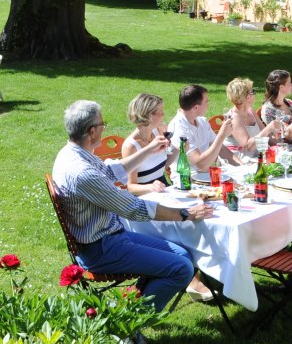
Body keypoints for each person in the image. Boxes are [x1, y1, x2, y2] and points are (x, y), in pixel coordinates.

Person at [51, 100, 217, 320]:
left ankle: (130, 306)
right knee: (181, 269)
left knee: (183, 254)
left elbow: (110, 171)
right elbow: (132, 208)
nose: (103, 128)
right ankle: (128, 326)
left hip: (110, 236)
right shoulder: (82, 172)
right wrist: (185, 214)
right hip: (100, 249)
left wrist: (148, 150)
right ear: (92, 131)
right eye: (102, 124)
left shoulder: (72, 153)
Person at [167, 84, 238, 184]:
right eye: (206, 101)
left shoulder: (202, 121)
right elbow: (201, 164)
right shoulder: (179, 128)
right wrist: (221, 135)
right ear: (196, 107)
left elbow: (221, 149)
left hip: (207, 175)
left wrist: (243, 167)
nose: (208, 104)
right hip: (188, 181)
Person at [120, 93, 177, 193]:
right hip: (145, 197)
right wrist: (150, 187)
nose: (164, 115)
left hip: (164, 189)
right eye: (159, 112)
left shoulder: (157, 133)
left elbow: (162, 166)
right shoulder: (131, 146)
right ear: (147, 115)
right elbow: (131, 187)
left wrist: (179, 149)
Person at [222, 77, 284, 156]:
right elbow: (248, 146)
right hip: (239, 161)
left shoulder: (250, 111)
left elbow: (267, 136)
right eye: (253, 91)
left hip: (256, 156)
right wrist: (268, 129)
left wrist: (282, 147)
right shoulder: (234, 117)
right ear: (247, 97)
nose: (255, 94)